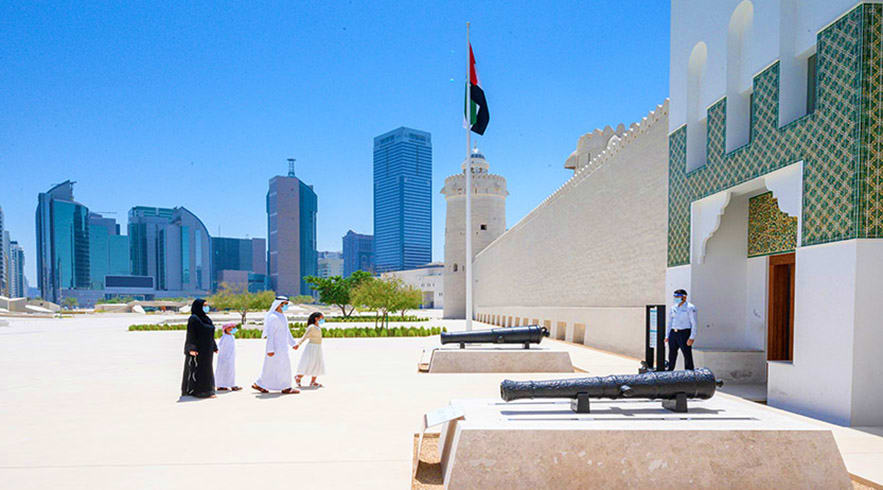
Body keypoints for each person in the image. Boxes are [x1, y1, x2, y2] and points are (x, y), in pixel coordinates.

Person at [252, 296, 299, 394]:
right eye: (284, 304)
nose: (286, 306)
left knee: (280, 367)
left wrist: (293, 343)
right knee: (272, 367)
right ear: (279, 304)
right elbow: (271, 335)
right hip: (275, 348)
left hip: (283, 347)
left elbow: (287, 332)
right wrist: (270, 350)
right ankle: (285, 387)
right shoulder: (273, 318)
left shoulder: (282, 316)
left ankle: (260, 384)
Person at [181, 298, 218, 398]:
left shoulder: (207, 319)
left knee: (208, 369)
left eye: (207, 305)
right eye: (204, 305)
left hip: (208, 349)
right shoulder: (194, 318)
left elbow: (210, 335)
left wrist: (214, 346)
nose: (206, 307)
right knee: (200, 369)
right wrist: (191, 348)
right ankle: (200, 391)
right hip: (199, 349)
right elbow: (191, 334)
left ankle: (209, 389)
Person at [666, 289, 697, 370]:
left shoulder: (690, 307)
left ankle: (689, 374)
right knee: (671, 354)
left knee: (687, 355)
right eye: (675, 296)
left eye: (678, 296)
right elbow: (670, 322)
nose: (676, 298)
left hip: (684, 333)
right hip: (673, 333)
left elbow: (694, 323)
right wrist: (667, 335)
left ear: (684, 297)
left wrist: (692, 337)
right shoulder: (673, 307)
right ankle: (669, 372)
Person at [294, 312, 326, 388]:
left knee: (317, 363)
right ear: (316, 318)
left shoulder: (317, 326)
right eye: (322, 318)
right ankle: (298, 377)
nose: (323, 320)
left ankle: (313, 381)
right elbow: (305, 336)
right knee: (309, 363)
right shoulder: (311, 327)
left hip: (318, 347)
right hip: (312, 347)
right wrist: (298, 344)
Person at [215, 322, 241, 391]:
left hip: (231, 357)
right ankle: (221, 385)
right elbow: (220, 347)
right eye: (229, 328)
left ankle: (230, 384)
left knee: (230, 371)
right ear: (225, 329)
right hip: (224, 358)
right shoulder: (224, 337)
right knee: (223, 371)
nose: (231, 329)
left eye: (232, 327)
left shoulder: (232, 336)